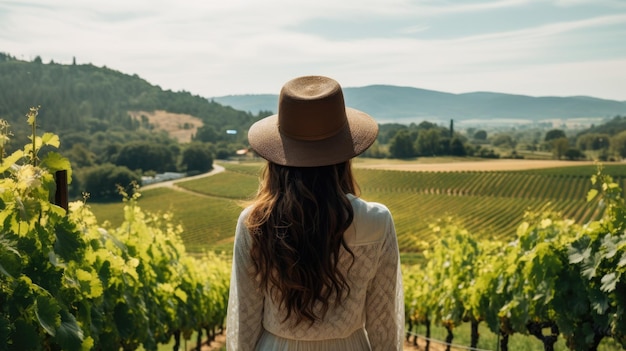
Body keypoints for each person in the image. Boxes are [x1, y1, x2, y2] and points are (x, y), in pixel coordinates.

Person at [226, 75, 404, 350]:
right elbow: (384, 324)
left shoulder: (255, 223)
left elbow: (245, 320)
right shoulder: (377, 220)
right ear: (345, 153)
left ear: (277, 155)